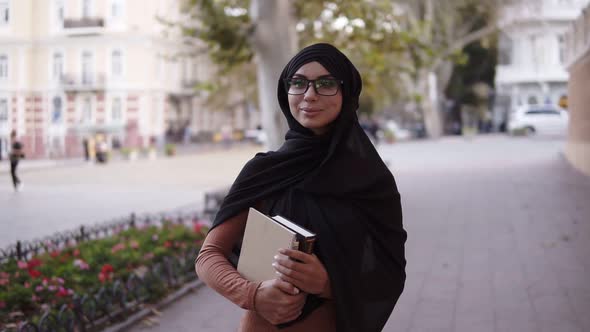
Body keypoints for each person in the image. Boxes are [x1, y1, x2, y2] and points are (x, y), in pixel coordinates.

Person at [195, 43, 406, 332]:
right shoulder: (266, 171)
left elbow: (389, 273)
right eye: (298, 83)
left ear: (348, 93)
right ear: (286, 92)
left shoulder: (372, 181)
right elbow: (209, 256)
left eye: (326, 84)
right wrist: (253, 295)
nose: (309, 95)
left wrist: (329, 284)